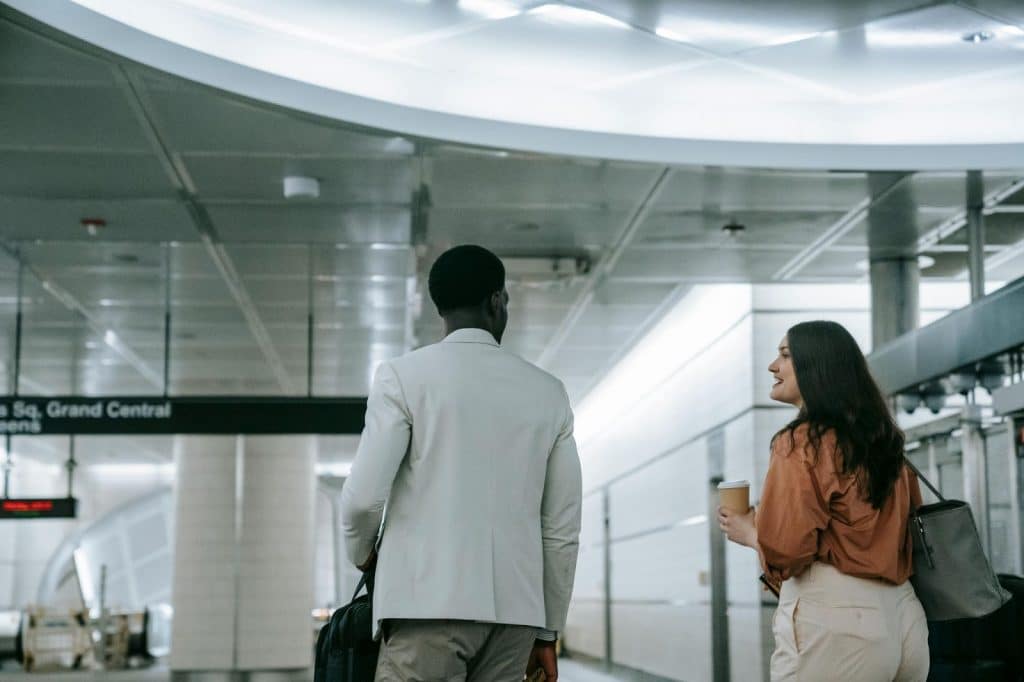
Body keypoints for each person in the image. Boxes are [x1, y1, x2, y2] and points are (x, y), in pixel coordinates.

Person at [340, 244, 583, 682]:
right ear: (496, 300)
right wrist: (547, 632)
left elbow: (360, 502)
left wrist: (362, 555)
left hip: (424, 607)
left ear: (440, 309)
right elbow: (561, 529)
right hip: (514, 618)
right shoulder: (549, 392)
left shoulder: (403, 377)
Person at [718, 320, 929, 681]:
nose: (773, 366)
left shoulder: (802, 441)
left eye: (785, 355)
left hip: (838, 621)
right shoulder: (884, 442)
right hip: (905, 618)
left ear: (818, 368)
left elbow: (785, 550)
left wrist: (751, 532)